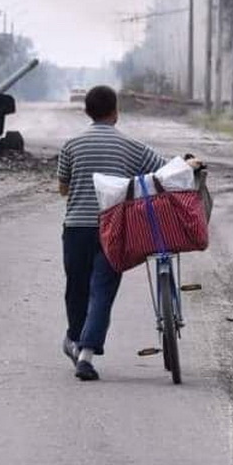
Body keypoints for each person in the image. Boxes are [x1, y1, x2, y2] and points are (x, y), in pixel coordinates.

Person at [57, 85, 166, 381]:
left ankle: (75, 340)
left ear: (86, 111)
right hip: (113, 228)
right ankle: (86, 355)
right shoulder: (131, 146)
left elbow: (63, 188)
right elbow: (163, 171)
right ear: (116, 112)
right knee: (102, 291)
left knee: (76, 288)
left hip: (77, 228)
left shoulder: (71, 145)